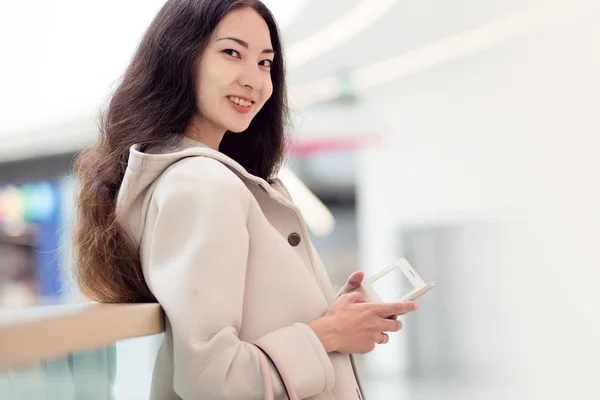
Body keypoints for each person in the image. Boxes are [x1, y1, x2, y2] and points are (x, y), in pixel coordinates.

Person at [71, 0, 419, 399]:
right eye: (232, 53)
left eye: (265, 63)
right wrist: (331, 332)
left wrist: (327, 313)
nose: (255, 80)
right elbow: (211, 379)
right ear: (180, 57)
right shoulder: (203, 183)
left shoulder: (194, 178)